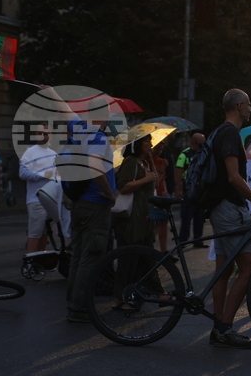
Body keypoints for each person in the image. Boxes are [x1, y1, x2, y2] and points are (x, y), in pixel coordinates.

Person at [206, 89, 251, 349]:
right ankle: (225, 328)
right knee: (248, 269)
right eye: (249, 104)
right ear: (240, 105)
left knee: (222, 271)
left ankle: (218, 327)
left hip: (219, 207)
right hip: (230, 209)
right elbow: (234, 177)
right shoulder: (231, 133)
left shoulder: (218, 132)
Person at [58, 94, 117, 324]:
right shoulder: (98, 137)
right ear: (106, 115)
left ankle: (73, 302)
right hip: (95, 204)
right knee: (91, 256)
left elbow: (65, 110)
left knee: (78, 254)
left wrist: (49, 91)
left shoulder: (79, 128)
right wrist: (110, 193)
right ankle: (81, 307)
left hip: (78, 201)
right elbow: (94, 165)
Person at [111, 135, 163, 310]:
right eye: (147, 141)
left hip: (144, 218)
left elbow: (155, 181)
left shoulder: (144, 162)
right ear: (138, 144)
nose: (151, 144)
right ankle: (121, 298)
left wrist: (150, 160)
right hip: (132, 219)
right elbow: (123, 186)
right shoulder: (131, 162)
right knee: (129, 259)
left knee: (146, 256)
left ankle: (157, 292)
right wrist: (144, 180)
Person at [19, 124, 58, 255]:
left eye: (46, 133)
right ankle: (31, 260)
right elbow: (22, 173)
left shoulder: (54, 154)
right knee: (35, 233)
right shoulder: (30, 152)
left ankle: (42, 259)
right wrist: (42, 175)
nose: (43, 136)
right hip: (36, 200)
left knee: (46, 233)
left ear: (51, 135)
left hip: (51, 199)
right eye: (40, 133)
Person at [175, 132, 207, 247]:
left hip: (200, 190)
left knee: (200, 216)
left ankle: (198, 240)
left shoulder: (203, 153)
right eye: (202, 140)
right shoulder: (185, 154)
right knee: (186, 216)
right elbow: (178, 172)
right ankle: (183, 240)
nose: (204, 142)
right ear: (196, 141)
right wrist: (179, 189)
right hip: (188, 189)